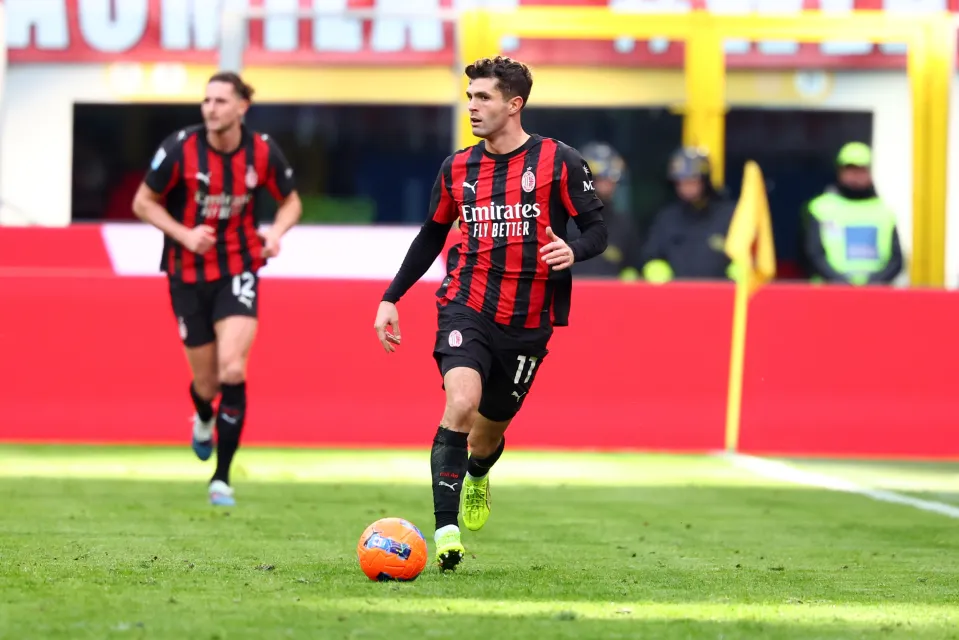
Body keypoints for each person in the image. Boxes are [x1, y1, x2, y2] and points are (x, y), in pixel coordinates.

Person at [372, 56, 608, 572]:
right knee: (461, 401)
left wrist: (574, 251)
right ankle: (446, 532)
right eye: (470, 96)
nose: (472, 106)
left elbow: (597, 231)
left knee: (486, 433)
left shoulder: (560, 161)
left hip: (528, 319)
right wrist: (392, 296)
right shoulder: (457, 167)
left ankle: (478, 471)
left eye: (483, 98)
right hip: (466, 303)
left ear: (513, 104)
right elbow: (432, 234)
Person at [131, 72, 302, 507]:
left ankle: (221, 477)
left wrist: (276, 232)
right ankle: (204, 416)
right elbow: (142, 202)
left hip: (239, 266)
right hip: (185, 272)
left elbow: (291, 201)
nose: (211, 108)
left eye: (221, 101)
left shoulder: (261, 149)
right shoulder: (179, 148)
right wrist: (185, 235)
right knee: (206, 383)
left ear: (242, 107)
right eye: (206, 100)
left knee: (233, 370)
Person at [800, 142, 904, 285]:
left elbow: (896, 260)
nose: (855, 176)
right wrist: (839, 282)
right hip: (828, 295)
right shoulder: (820, 208)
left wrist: (873, 283)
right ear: (839, 172)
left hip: (875, 296)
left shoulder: (884, 211)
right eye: (850, 169)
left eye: (861, 170)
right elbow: (812, 254)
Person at [639, 147, 737, 283]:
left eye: (692, 181)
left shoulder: (729, 216)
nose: (686, 187)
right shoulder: (667, 219)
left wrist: (740, 272)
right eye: (681, 182)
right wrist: (655, 269)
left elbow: (745, 256)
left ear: (704, 180)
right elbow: (650, 256)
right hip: (677, 298)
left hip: (720, 297)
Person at [565, 142, 643, 281]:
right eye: (600, 179)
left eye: (611, 179)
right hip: (567, 298)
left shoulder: (623, 224)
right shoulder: (561, 219)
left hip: (610, 300)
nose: (608, 185)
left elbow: (633, 267)